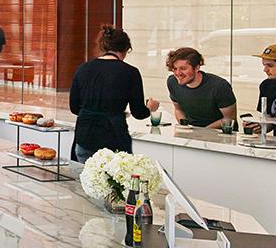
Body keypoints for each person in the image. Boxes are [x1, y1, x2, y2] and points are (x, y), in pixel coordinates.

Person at [69, 25, 160, 162]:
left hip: (85, 135)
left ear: (103, 47)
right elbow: (139, 112)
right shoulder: (130, 72)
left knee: (87, 179)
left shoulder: (83, 69)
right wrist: (150, 108)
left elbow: (74, 107)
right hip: (114, 136)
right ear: (125, 49)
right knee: (116, 179)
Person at [165, 47, 237, 128]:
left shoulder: (220, 86)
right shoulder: (172, 82)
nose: (178, 73)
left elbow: (229, 119)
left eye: (183, 68)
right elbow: (178, 110)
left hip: (221, 135)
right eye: (174, 69)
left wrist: (201, 133)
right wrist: (184, 128)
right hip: (191, 132)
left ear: (197, 68)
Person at [242, 44, 276, 138]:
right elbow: (271, 119)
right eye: (264, 65)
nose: (265, 70)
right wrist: (260, 126)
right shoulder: (266, 86)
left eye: (270, 65)